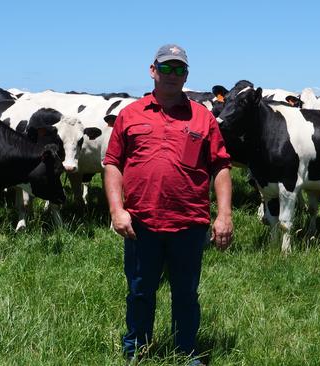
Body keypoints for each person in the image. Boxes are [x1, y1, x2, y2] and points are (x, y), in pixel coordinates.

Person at [103, 43, 233, 365]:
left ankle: (187, 351)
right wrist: (117, 210)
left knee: (186, 294)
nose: (172, 75)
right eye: (166, 68)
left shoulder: (203, 118)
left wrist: (224, 215)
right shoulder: (130, 115)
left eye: (179, 69)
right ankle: (136, 350)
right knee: (139, 291)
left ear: (186, 74)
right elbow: (112, 164)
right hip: (140, 223)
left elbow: (220, 167)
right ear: (153, 70)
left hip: (189, 223)